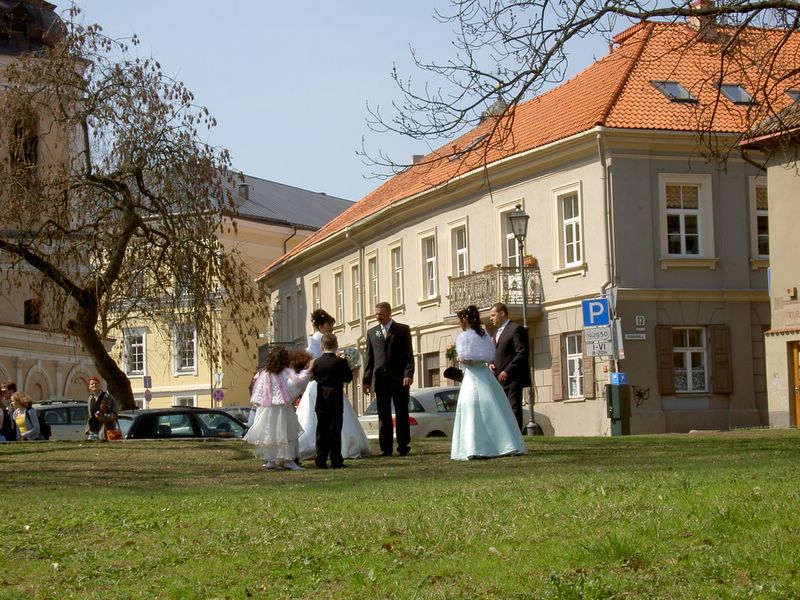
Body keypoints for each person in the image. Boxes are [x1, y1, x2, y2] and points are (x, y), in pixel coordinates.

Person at [451, 305, 526, 460]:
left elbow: (466, 359)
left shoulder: (464, 336)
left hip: (472, 375)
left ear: (465, 320)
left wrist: (459, 358)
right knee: (494, 407)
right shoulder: (484, 334)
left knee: (471, 408)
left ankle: (473, 446)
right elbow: (490, 354)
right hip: (485, 374)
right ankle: (503, 443)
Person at [296, 309, 370, 461]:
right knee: (332, 426)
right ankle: (335, 455)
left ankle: (321, 456)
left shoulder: (320, 350)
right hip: (327, 389)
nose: (331, 328)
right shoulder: (316, 342)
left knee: (322, 427)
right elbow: (345, 376)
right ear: (321, 326)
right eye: (329, 325)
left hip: (322, 389)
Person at [244, 346, 312, 471]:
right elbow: (296, 383)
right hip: (282, 407)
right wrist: (307, 372)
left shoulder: (265, 373)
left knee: (270, 434)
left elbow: (259, 390)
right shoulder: (286, 372)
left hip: (267, 408)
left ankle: (271, 460)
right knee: (286, 432)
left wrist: (258, 403)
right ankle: (288, 460)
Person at [362, 301, 415, 457]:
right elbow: (369, 359)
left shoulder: (402, 330)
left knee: (401, 412)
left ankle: (403, 446)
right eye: (376, 314)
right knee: (383, 414)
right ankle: (385, 448)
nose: (378, 316)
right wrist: (366, 381)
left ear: (389, 313)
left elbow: (409, 355)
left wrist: (408, 374)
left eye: (381, 314)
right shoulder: (372, 332)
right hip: (381, 379)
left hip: (400, 379)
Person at [312, 333, 353, 469]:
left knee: (321, 432)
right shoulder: (340, 362)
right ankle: (336, 460)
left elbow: (315, 378)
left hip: (322, 401)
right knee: (335, 432)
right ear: (336, 345)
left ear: (322, 346)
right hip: (335, 400)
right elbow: (348, 378)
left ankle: (321, 460)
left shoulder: (317, 362)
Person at [489, 302, 531, 433]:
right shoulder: (496, 332)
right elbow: (495, 352)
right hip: (498, 378)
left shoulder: (516, 329)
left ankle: (516, 435)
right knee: (501, 407)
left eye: (493, 315)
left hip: (513, 377)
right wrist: (491, 363)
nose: (491, 318)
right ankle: (504, 434)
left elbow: (522, 352)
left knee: (513, 406)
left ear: (502, 313)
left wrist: (507, 371)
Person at [86, 376, 119, 441]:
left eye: (96, 383)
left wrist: (101, 416)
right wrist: (88, 428)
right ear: (89, 387)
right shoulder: (90, 398)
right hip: (93, 431)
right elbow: (90, 416)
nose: (94, 385)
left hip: (105, 430)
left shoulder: (107, 397)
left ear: (100, 385)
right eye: (92, 384)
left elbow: (114, 415)